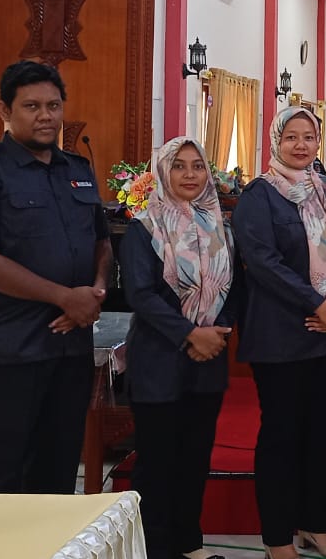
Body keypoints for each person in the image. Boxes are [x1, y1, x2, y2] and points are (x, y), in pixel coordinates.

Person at [0, 60, 111, 493]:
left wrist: (95, 292)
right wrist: (64, 297)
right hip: (8, 350)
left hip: (69, 351)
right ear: (5, 110)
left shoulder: (77, 170)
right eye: (32, 106)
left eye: (53, 106)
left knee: (56, 475)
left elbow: (101, 242)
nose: (45, 116)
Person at [234, 107, 326, 559]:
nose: (300, 145)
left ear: (318, 142)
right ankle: (277, 538)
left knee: (321, 434)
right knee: (282, 436)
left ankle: (314, 525)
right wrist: (318, 305)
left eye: (308, 137)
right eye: (290, 136)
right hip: (280, 336)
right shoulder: (259, 195)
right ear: (276, 141)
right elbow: (263, 263)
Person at [120, 137, 241, 559]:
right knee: (156, 464)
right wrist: (191, 334)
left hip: (207, 362)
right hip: (159, 360)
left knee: (194, 459)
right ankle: (154, 549)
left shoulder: (222, 228)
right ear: (162, 171)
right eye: (179, 166)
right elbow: (140, 294)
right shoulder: (143, 227)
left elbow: (236, 288)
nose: (190, 174)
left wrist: (218, 332)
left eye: (197, 166)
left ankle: (189, 543)